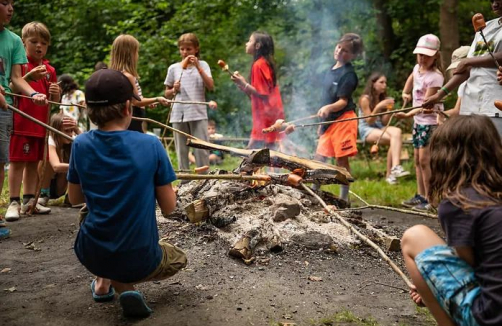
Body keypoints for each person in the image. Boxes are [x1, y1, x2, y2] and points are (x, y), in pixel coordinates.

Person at [68, 69, 187, 318]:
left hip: (92, 253)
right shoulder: (151, 144)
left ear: (89, 110)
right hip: (141, 260)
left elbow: (75, 198)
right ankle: (125, 286)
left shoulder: (80, 144)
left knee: (89, 210)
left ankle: (103, 282)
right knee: (178, 257)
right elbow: (169, 207)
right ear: (127, 107)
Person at [401, 114, 502, 326]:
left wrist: (431, 287)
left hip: (490, 317)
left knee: (414, 236)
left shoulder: (461, 202)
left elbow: (468, 267)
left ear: (445, 156)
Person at [5, 21, 59, 221]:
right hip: (21, 123)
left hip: (40, 125)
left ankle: (29, 201)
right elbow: (11, 88)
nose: (39, 46)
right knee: (18, 162)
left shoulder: (49, 69)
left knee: (33, 162)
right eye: (34, 41)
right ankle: (13, 201)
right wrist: (28, 76)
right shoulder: (20, 65)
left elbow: (53, 102)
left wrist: (56, 93)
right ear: (23, 43)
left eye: (43, 43)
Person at [424, 1, 502, 137]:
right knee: (473, 154)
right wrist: (439, 95)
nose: (494, 3)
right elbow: (466, 69)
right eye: (491, 0)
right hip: (470, 106)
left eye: (498, 0)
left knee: (494, 153)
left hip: (494, 106)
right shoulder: (486, 27)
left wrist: (468, 61)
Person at [0, 2, 47, 225]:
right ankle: (14, 200)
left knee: (3, 160)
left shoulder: (12, 41)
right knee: (16, 160)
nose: (10, 8)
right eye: (3, 3)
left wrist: (34, 93)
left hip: (7, 109)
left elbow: (15, 79)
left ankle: (23, 202)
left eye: (12, 4)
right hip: (17, 115)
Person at [396, 34, 444, 212]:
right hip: (418, 121)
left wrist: (407, 115)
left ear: (435, 56)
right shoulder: (418, 68)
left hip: (430, 122)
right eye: (420, 55)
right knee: (417, 159)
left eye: (426, 55)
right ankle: (420, 195)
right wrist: (405, 93)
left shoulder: (436, 77)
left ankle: (432, 201)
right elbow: (411, 78)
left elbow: (426, 105)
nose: (422, 59)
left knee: (425, 161)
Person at [313, 33, 363, 203]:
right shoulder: (330, 70)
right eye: (339, 47)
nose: (340, 51)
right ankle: (313, 192)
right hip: (329, 122)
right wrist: (322, 125)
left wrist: (328, 108)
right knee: (319, 157)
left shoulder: (349, 75)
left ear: (353, 55)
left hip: (344, 119)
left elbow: (343, 102)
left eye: (346, 50)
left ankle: (344, 198)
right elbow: (326, 98)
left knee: (341, 159)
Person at [164, 33, 214, 171]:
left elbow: (210, 86)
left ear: (196, 49)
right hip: (179, 114)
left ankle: (205, 180)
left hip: (198, 114)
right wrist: (174, 89)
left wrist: (198, 67)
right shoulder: (173, 68)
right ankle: (185, 181)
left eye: (188, 49)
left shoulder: (203, 64)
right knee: (181, 150)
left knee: (202, 149)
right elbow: (167, 93)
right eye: (182, 49)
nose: (185, 52)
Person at [231, 31, 284, 150]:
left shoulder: (259, 65)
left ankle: (246, 167)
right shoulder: (263, 63)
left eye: (249, 41)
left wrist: (244, 84)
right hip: (267, 113)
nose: (246, 43)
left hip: (267, 115)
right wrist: (243, 84)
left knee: (260, 149)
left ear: (257, 45)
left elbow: (263, 93)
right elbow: (256, 93)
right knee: (265, 148)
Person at [110, 34, 170, 133]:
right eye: (136, 51)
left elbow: (133, 98)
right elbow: (136, 102)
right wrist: (157, 99)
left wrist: (148, 102)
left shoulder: (115, 74)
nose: (137, 55)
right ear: (130, 54)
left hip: (125, 118)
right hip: (134, 118)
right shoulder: (128, 76)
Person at [358, 72, 409, 185]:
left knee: (397, 132)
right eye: (381, 82)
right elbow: (369, 121)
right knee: (394, 139)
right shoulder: (364, 99)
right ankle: (391, 174)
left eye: (385, 82)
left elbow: (384, 122)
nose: (384, 85)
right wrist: (378, 107)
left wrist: (389, 110)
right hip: (366, 129)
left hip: (379, 127)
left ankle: (395, 168)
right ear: (373, 84)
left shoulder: (382, 98)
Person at [38, 113, 80, 207]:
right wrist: (82, 167)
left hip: (59, 188)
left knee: (83, 157)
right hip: (43, 186)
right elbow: (56, 167)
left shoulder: (72, 140)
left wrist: (77, 130)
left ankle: (71, 196)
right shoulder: (49, 140)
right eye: (66, 131)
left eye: (72, 131)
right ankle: (44, 194)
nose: (70, 134)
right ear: (56, 131)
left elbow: (90, 146)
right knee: (46, 158)